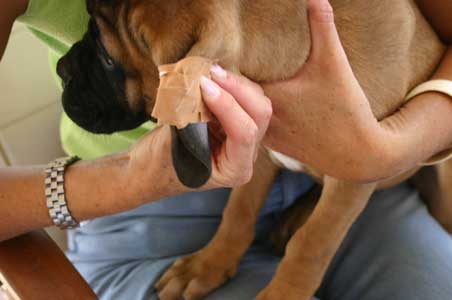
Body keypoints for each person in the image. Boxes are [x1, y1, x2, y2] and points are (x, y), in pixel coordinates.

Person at [0, 0, 451, 299]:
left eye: (107, 56)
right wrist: (132, 177)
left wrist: (386, 151)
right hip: (140, 208)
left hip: (359, 193)